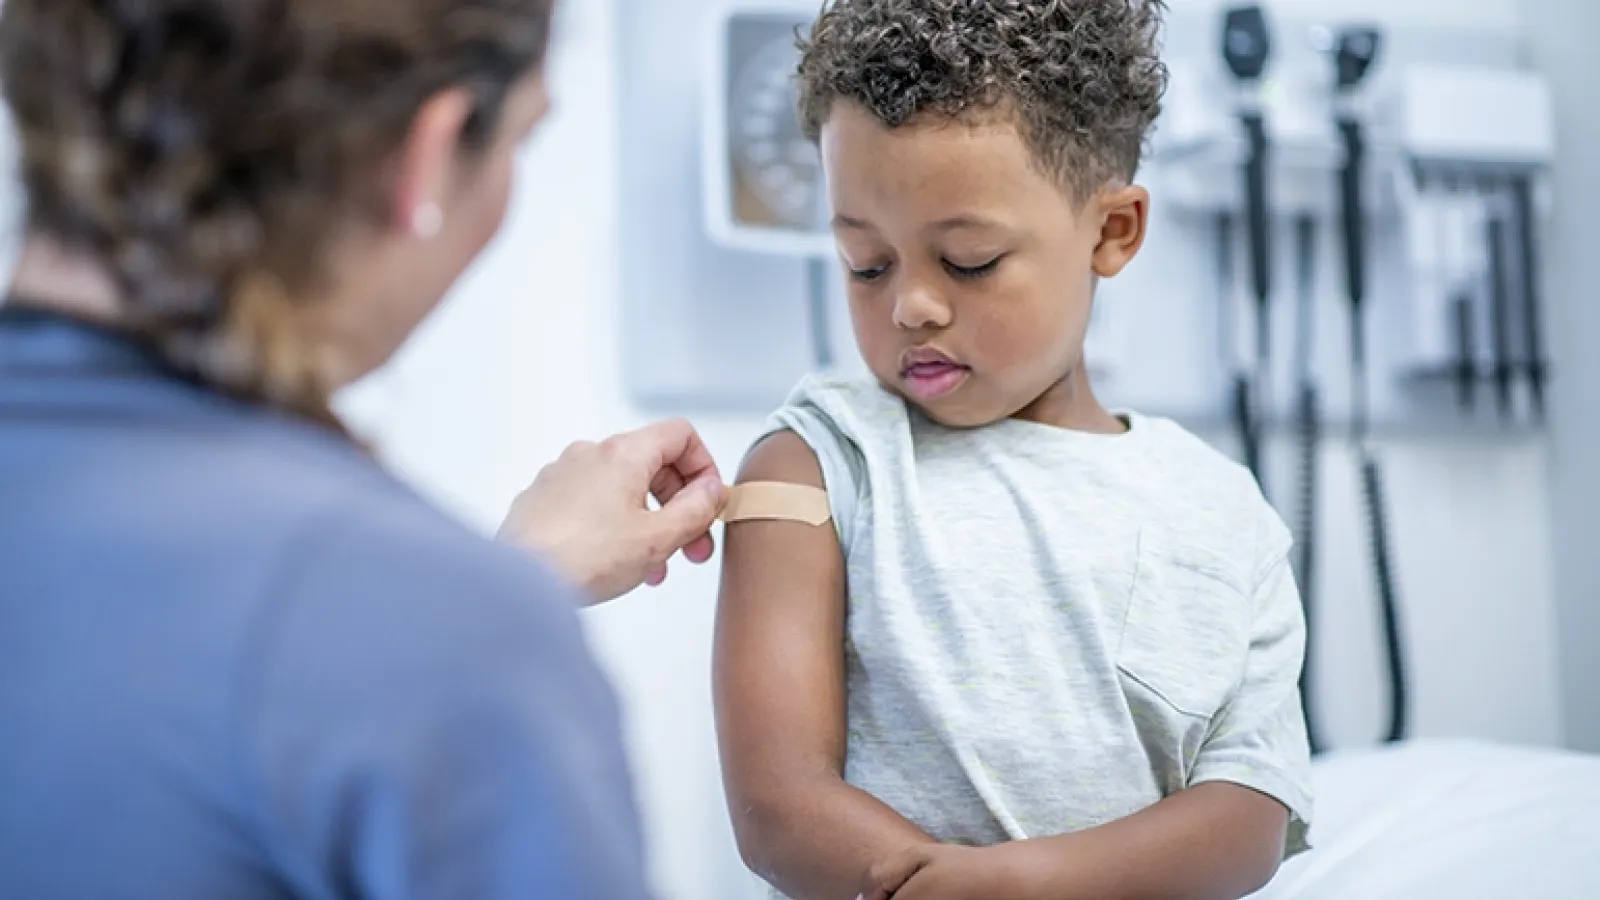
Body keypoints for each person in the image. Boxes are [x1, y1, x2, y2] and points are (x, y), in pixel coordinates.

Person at [0, 1, 724, 898]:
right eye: (520, 143)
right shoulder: (427, 633)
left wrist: (494, 585)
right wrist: (464, 619)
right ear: (433, 149)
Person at [713, 2, 1314, 899]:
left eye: (969, 260)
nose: (910, 305)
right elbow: (779, 806)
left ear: (1112, 232)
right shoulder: (817, 465)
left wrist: (1023, 885)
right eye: (867, 264)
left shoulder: (1222, 512)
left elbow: (1251, 808)